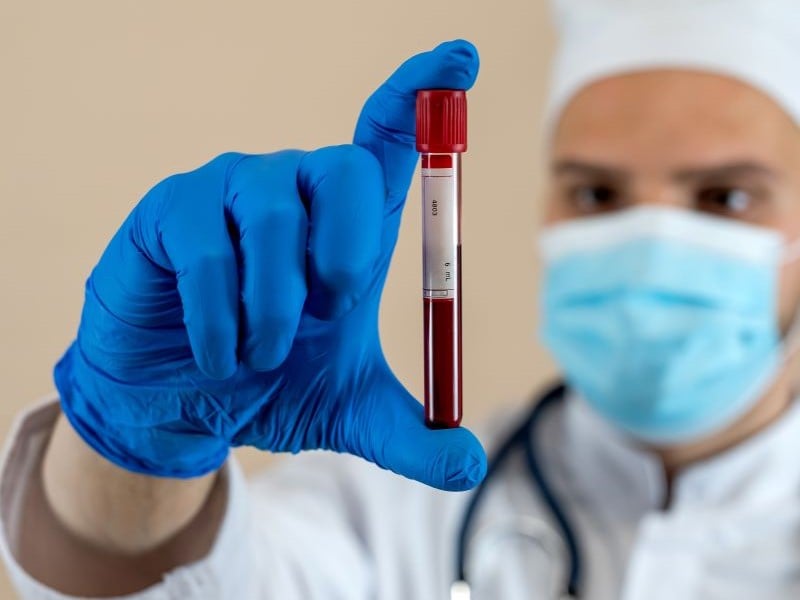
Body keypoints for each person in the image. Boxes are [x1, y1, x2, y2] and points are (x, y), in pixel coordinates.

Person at [3, 0, 800, 598]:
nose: (648, 238)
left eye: (727, 198)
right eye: (595, 192)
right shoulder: (387, 512)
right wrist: (137, 444)